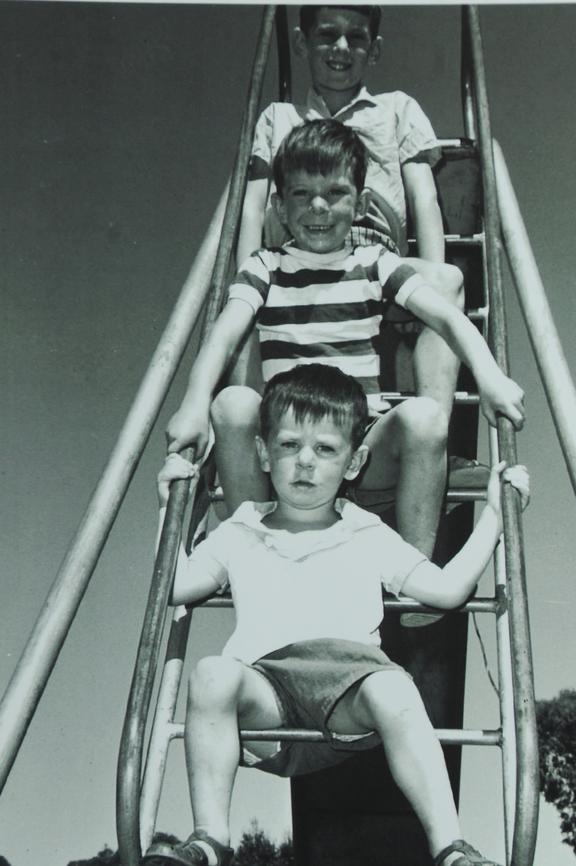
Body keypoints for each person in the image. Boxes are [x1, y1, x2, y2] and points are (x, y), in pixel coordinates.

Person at [144, 364, 531, 866]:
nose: (305, 462)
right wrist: (165, 513)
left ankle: (450, 847)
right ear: (263, 452)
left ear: (354, 462)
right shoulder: (242, 528)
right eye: (288, 445)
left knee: (394, 687)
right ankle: (210, 840)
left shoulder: (364, 530)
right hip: (270, 694)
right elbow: (175, 586)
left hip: (350, 691)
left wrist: (497, 516)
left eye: (325, 449)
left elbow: (446, 591)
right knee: (212, 673)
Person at [166, 119, 525, 559]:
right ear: (279, 207)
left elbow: (447, 318)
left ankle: (412, 569)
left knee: (427, 418)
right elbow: (222, 338)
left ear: (360, 205)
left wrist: (490, 378)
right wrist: (193, 403)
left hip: (360, 449)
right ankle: (255, 557)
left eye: (335, 193)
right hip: (285, 450)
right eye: (301, 194)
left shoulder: (374, 263)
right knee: (231, 403)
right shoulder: (264, 267)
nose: (318, 207)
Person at [232, 4, 458, 412]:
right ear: (302, 42)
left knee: (447, 280)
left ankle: (431, 428)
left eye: (356, 37)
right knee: (241, 310)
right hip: (293, 255)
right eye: (327, 34)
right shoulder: (279, 117)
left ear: (373, 50)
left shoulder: (397, 109)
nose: (341, 47)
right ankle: (251, 424)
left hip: (372, 257)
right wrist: (245, 279)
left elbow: (424, 197)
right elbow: (252, 204)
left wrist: (420, 285)